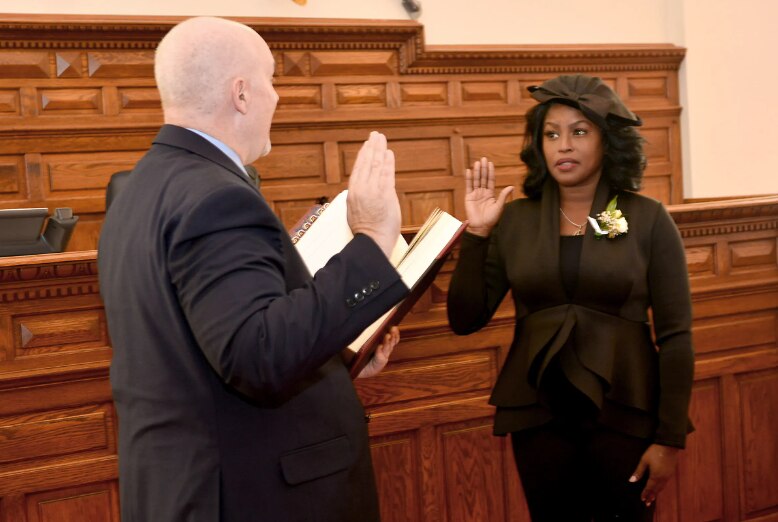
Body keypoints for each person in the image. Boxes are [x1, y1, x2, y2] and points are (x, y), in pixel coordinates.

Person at [98, 16, 409, 522]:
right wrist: (373, 238)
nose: (276, 97)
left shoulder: (136, 191)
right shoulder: (218, 198)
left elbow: (200, 350)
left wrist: (336, 361)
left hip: (183, 488)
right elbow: (256, 356)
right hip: (248, 495)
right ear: (241, 93)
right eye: (271, 79)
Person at [447, 74, 694, 521]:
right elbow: (466, 318)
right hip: (538, 415)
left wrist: (670, 438)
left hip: (626, 410)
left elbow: (677, 337)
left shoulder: (646, 217)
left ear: (606, 142)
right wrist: (479, 233)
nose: (564, 145)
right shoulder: (515, 220)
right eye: (551, 133)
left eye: (579, 132)